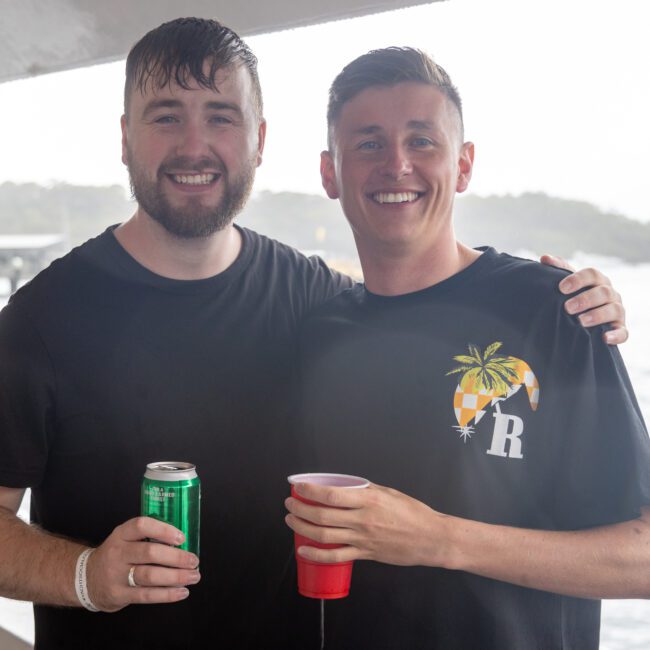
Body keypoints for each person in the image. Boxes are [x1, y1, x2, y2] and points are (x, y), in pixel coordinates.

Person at [0, 18, 630, 650]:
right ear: (124, 138)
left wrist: (565, 300)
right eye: (166, 117)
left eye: (222, 117)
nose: (196, 145)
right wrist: (85, 576)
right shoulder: (42, 317)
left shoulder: (320, 300)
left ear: (259, 141)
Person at [284, 47, 650, 649]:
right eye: (369, 143)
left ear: (464, 165)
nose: (396, 164)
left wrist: (439, 540)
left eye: (422, 141)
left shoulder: (556, 310)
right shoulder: (319, 331)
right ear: (330, 172)